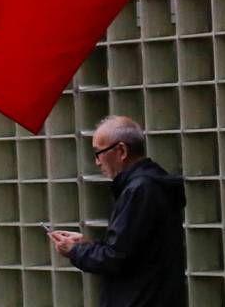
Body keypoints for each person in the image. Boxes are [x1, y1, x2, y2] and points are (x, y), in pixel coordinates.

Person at [49, 115, 187, 306]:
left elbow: (116, 258)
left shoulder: (140, 190)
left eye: (99, 152)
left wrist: (75, 250)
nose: (97, 162)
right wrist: (86, 246)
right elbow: (133, 250)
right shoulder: (152, 185)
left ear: (121, 150)